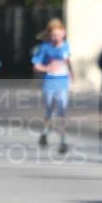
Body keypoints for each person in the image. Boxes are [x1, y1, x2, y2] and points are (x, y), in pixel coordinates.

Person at [32, 18, 73, 154]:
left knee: (62, 111)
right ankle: (44, 133)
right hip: (50, 82)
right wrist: (47, 67)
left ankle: (62, 141)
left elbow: (67, 61)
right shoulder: (44, 48)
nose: (56, 38)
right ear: (49, 35)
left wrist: (71, 74)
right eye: (54, 35)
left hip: (63, 82)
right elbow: (36, 66)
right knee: (49, 109)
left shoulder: (66, 46)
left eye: (59, 34)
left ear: (64, 32)